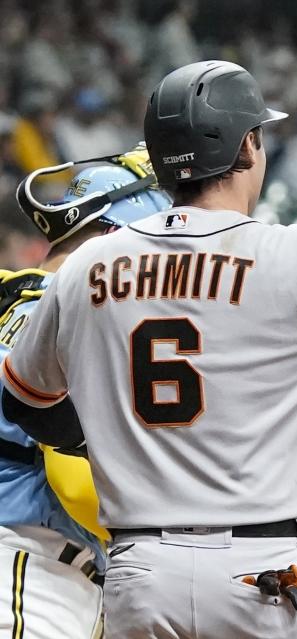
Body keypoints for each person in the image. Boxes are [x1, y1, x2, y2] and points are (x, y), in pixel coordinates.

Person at [1, 60, 297, 639]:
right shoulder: (290, 255)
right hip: (262, 569)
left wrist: (120, 440)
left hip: (140, 572)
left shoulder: (87, 268)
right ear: (250, 146)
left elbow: (28, 402)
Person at [0, 145, 171, 638]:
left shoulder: (17, 297)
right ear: (118, 237)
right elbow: (75, 483)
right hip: (29, 570)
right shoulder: (77, 316)